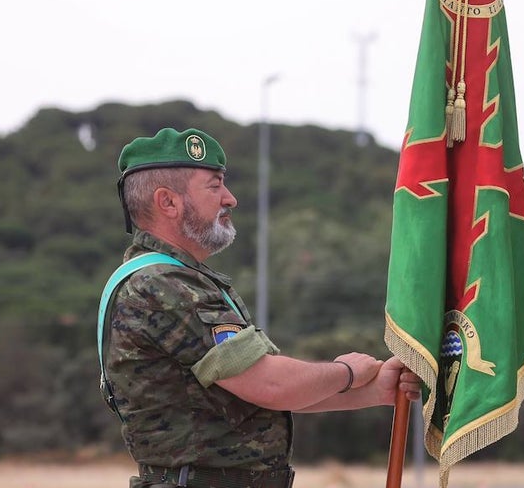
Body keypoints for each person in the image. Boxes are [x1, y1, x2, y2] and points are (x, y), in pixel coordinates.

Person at [98, 126, 421, 488]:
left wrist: (374, 392)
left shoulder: (179, 280)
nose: (230, 198)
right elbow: (270, 384)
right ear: (168, 202)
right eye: (215, 184)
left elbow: (257, 398)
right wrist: (348, 371)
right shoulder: (162, 285)